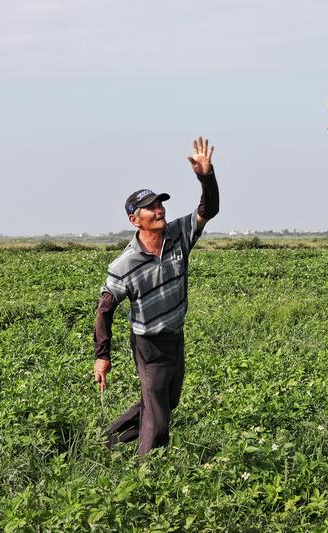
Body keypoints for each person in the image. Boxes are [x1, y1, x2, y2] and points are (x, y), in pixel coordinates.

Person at [92, 137, 220, 457]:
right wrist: (102, 355)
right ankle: (147, 474)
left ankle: (109, 440)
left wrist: (206, 175)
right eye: (150, 207)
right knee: (159, 416)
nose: (159, 210)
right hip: (148, 345)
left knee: (165, 401)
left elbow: (209, 209)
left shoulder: (179, 235)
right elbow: (104, 309)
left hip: (175, 337)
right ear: (135, 219)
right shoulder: (125, 265)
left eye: (160, 204)